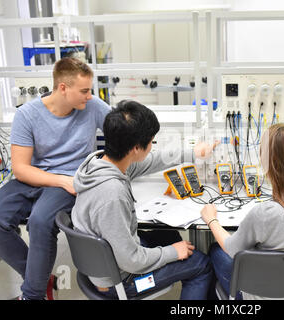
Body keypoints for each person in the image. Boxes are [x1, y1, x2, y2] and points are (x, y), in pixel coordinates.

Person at [0, 57, 111, 300]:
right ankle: (39, 278)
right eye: (85, 90)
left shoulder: (93, 106)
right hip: (35, 179)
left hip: (69, 180)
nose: (90, 96)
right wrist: (60, 181)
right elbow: (21, 169)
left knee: (40, 222)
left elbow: (123, 132)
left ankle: (32, 294)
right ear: (63, 88)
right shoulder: (27, 114)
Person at [71, 100, 215, 299]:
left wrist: (193, 153)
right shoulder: (112, 193)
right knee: (201, 264)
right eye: (151, 142)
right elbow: (131, 260)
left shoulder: (100, 163)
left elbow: (152, 161)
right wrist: (172, 253)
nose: (152, 147)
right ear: (136, 148)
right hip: (120, 280)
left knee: (169, 236)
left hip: (109, 260)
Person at [200, 124, 284, 300]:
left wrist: (211, 220)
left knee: (215, 251)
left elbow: (232, 248)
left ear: (271, 161)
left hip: (260, 296)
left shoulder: (266, 213)